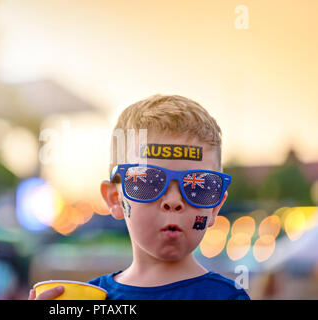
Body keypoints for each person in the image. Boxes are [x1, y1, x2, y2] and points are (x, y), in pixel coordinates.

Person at [29, 94, 250, 300]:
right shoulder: (92, 298)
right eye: (147, 181)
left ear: (214, 207)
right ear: (115, 199)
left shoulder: (227, 296)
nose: (173, 201)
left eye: (199, 185)